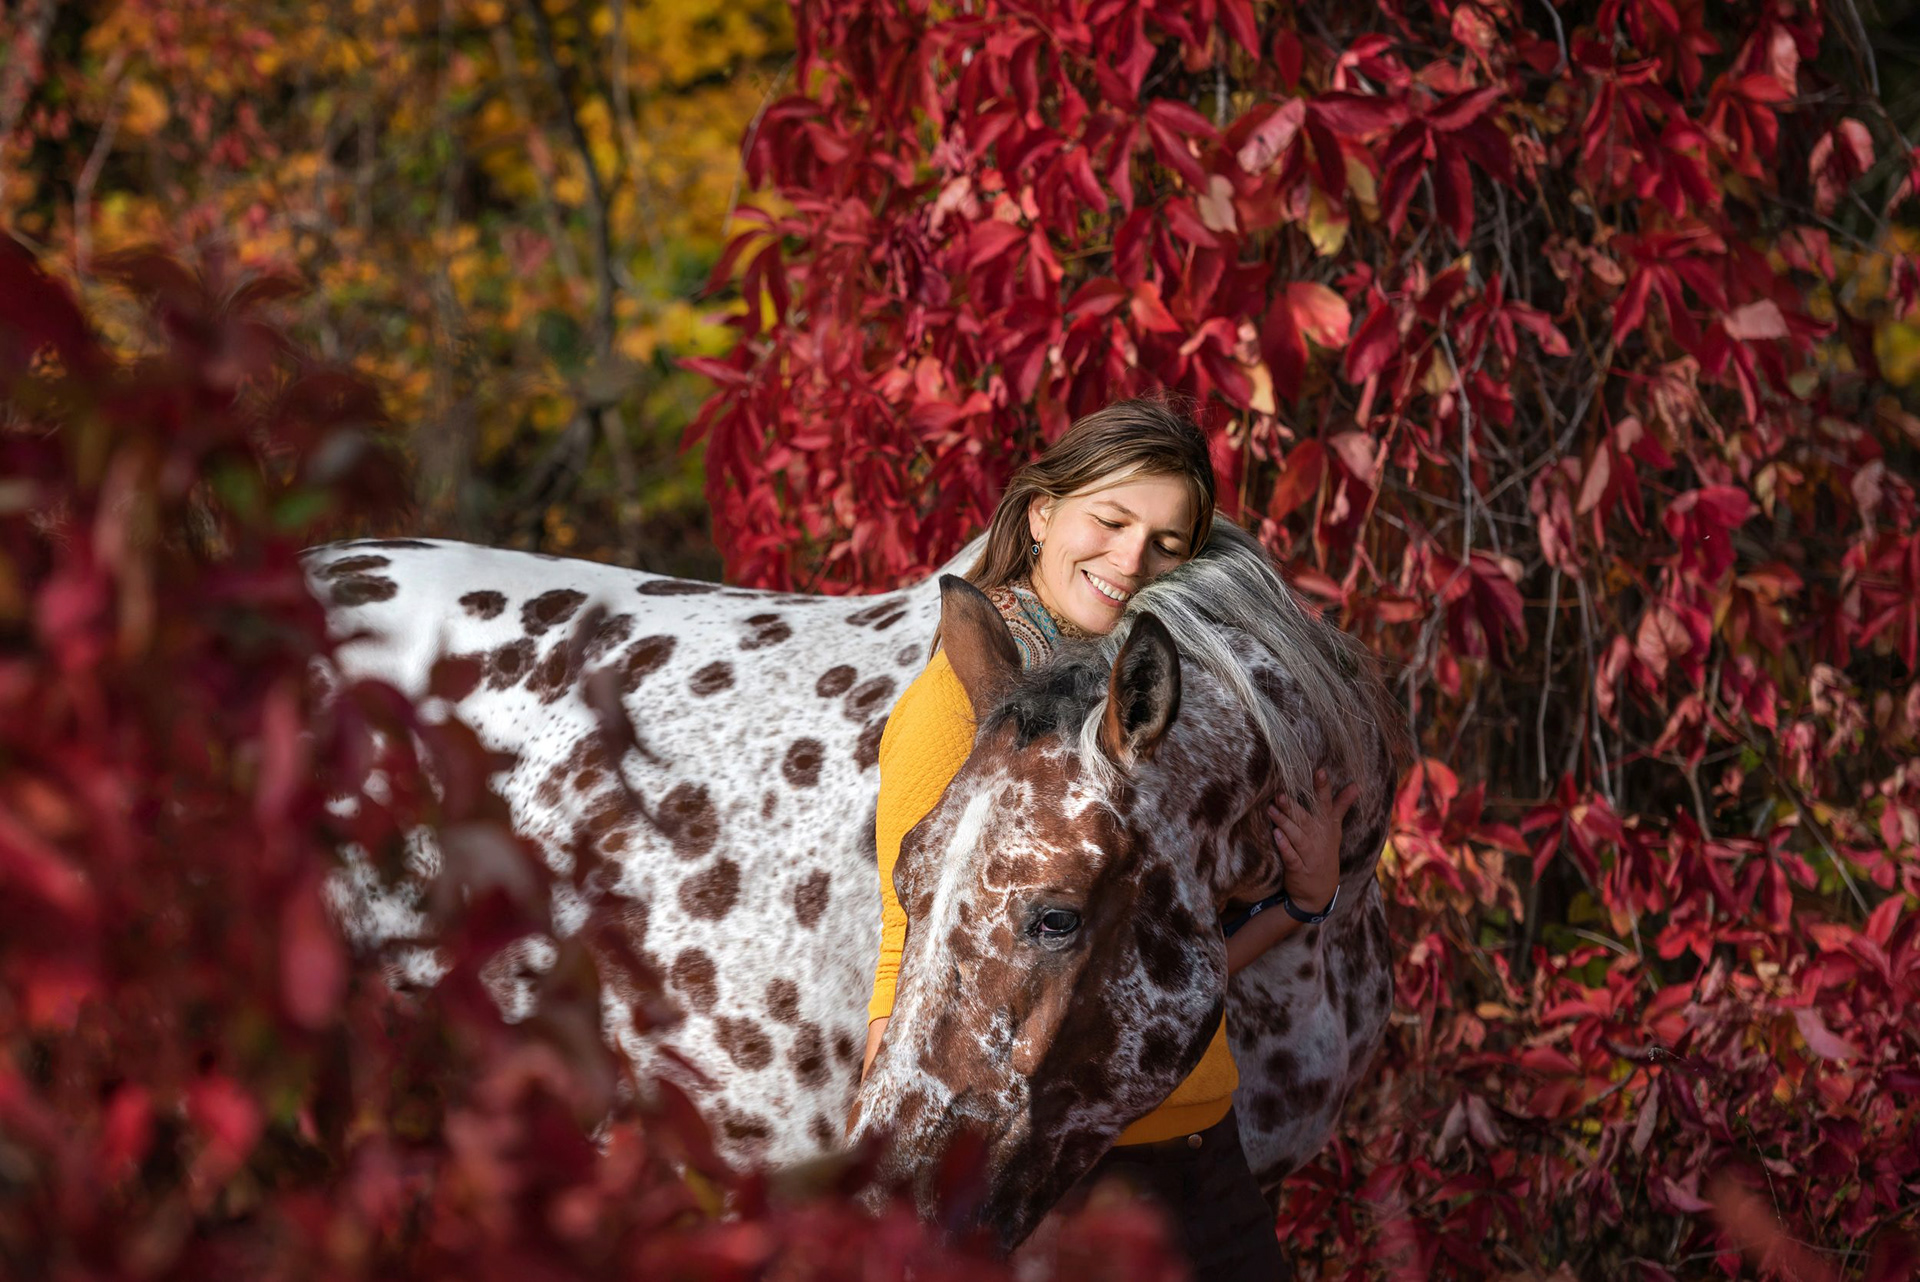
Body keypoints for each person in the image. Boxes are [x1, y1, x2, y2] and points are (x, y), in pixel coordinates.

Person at [858, 397, 1358, 1277]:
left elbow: (1156, 954)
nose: (1132, 562)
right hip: (1066, 1165)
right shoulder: (957, 707)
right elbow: (910, 960)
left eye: (1166, 544)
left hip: (1197, 1141)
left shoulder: (1135, 691)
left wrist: (1303, 902)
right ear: (1041, 513)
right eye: (1112, 520)